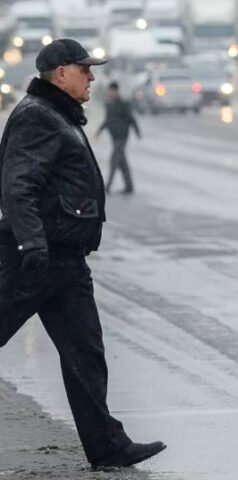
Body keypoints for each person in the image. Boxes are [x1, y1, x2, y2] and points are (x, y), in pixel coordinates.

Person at [0, 39, 166, 468]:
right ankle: (107, 443)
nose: (92, 76)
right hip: (33, 260)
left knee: (86, 355)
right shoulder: (38, 118)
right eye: (84, 69)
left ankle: (107, 446)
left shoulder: (57, 115)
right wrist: (32, 243)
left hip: (66, 262)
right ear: (60, 74)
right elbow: (19, 186)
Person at [96, 81, 140, 194]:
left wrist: (136, 131)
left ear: (116, 91)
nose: (111, 93)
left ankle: (107, 187)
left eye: (112, 91)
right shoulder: (109, 104)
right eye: (110, 91)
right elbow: (107, 119)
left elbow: (130, 118)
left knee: (114, 160)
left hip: (122, 135)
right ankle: (129, 186)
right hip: (114, 136)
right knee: (122, 162)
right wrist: (99, 131)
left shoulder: (123, 104)